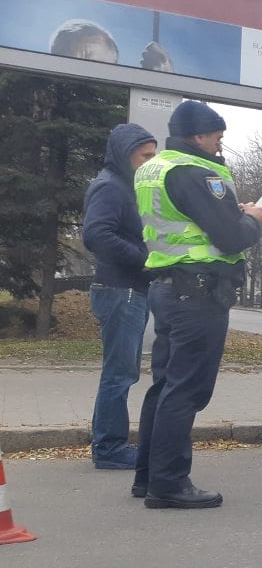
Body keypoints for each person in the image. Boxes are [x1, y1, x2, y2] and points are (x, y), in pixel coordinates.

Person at [131, 101, 262, 509]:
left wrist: (231, 214)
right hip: (199, 291)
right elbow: (229, 237)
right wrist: (253, 219)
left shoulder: (155, 168)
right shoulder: (197, 171)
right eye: (216, 136)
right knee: (187, 389)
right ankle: (170, 483)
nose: (219, 143)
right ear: (198, 136)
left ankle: (147, 476)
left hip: (167, 285)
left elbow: (187, 219)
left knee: (164, 386)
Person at [81, 122, 157, 470]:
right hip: (120, 290)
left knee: (118, 371)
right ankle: (110, 448)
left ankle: (106, 441)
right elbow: (96, 235)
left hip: (127, 289)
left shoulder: (126, 185)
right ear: (125, 154)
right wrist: (146, 260)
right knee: (120, 373)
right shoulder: (110, 187)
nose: (150, 162)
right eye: (145, 155)